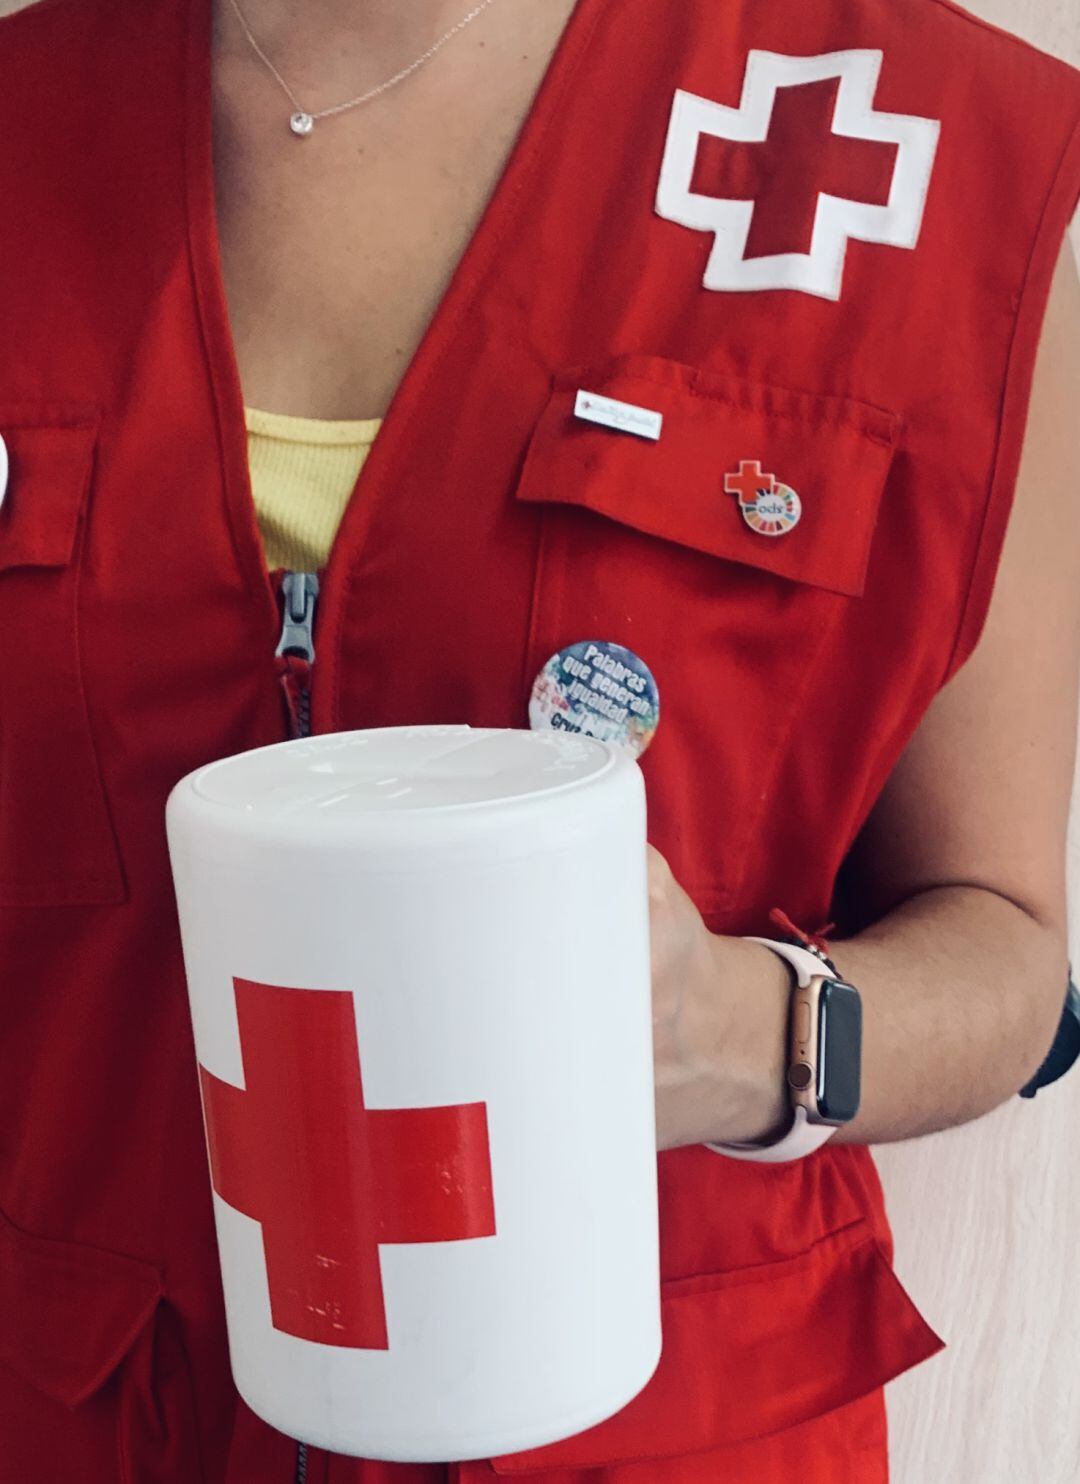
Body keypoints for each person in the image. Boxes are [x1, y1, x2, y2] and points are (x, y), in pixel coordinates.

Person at [0, 0, 1078, 1480]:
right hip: (88, 1407)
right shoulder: (24, 123)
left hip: (669, 1422)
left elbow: (1009, 945)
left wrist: (736, 1037)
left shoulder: (931, 154)